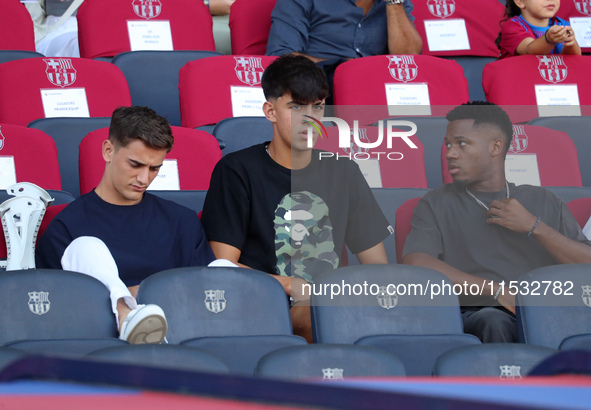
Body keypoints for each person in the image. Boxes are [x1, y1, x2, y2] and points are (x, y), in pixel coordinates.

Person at [200, 55, 392, 342]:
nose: (310, 119)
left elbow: (377, 267)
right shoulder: (236, 170)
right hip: (260, 303)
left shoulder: (344, 171)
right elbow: (222, 265)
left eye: (318, 107)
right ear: (270, 111)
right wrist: (289, 284)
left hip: (333, 305)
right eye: (296, 107)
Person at [402, 102, 591, 343]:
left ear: (495, 147)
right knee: (494, 320)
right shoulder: (436, 202)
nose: (450, 153)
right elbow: (418, 263)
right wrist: (497, 290)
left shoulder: (543, 199)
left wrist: (535, 227)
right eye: (448, 144)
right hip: (476, 312)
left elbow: (586, 266)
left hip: (545, 311)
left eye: (462, 143)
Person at [36, 106, 215, 344]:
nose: (144, 179)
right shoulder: (67, 228)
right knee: (86, 247)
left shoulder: (182, 220)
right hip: (101, 343)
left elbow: (208, 294)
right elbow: (57, 310)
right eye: (135, 164)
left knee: (223, 268)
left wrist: (141, 294)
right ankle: (127, 316)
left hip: (184, 336)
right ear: (108, 151)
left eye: (154, 169)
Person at [266, 0, 422, 60]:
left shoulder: (397, 4)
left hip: (377, 93)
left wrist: (393, 2)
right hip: (320, 90)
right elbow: (280, 55)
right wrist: (343, 70)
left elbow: (409, 59)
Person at [497, 0, 581, 58]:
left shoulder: (562, 24)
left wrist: (571, 42)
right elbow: (530, 50)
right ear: (520, 1)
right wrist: (548, 39)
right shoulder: (512, 27)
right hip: (520, 81)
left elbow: (573, 59)